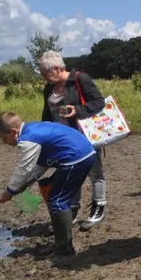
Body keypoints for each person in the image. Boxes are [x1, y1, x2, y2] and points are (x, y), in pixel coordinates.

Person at [0, 112, 96, 257]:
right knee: (56, 198)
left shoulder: (28, 140)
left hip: (76, 158)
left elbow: (24, 169)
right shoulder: (32, 129)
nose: (4, 142)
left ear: (13, 132)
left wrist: (10, 191)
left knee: (58, 201)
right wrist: (24, 185)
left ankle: (64, 248)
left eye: (4, 138)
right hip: (82, 154)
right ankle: (61, 243)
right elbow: (41, 164)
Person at [37, 51, 108, 231]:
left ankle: (98, 208)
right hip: (63, 140)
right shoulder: (48, 88)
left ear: (58, 68)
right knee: (70, 173)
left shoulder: (80, 79)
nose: (44, 76)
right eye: (42, 72)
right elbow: (47, 113)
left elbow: (99, 102)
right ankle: (73, 210)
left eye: (46, 72)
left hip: (84, 136)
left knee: (95, 172)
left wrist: (77, 110)